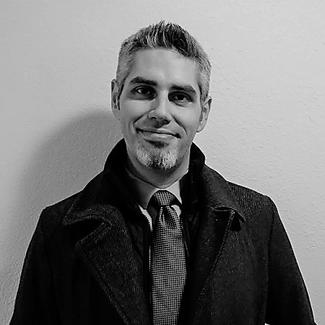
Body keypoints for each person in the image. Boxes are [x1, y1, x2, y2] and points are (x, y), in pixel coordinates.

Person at [10, 21, 316, 325]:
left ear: (203, 113)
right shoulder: (58, 229)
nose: (160, 112)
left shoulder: (259, 219)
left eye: (180, 96)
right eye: (144, 90)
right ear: (116, 98)